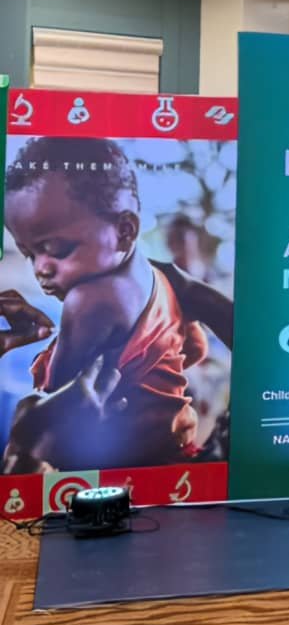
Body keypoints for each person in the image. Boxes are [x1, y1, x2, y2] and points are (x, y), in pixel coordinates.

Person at [2, 137, 233, 472]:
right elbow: (208, 347)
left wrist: (27, 428)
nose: (40, 268)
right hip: (177, 455)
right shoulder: (167, 279)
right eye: (29, 253)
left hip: (115, 478)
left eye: (56, 248)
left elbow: (57, 409)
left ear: (125, 230)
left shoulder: (88, 300)